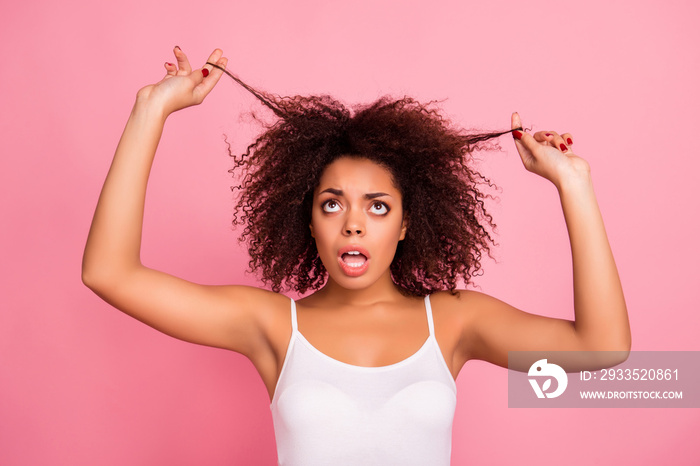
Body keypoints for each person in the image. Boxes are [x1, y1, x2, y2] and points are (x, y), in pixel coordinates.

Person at [82, 47, 631, 465]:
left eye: (376, 206)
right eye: (332, 204)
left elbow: (602, 346)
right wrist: (150, 110)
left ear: (405, 223)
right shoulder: (273, 324)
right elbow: (108, 272)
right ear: (310, 222)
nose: (352, 223)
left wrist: (573, 183)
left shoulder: (456, 320)